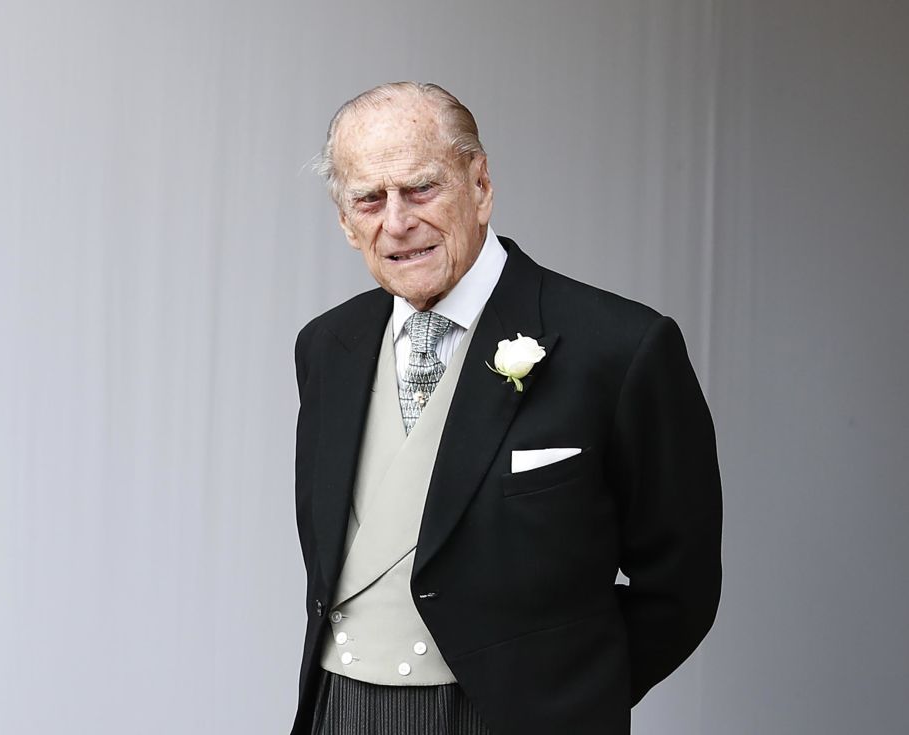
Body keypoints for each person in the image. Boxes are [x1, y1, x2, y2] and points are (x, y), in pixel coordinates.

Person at [291, 82, 722, 735]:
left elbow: (682, 585)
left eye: (421, 188)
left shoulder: (621, 346)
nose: (397, 221)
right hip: (344, 710)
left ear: (481, 185)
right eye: (370, 199)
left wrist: (567, 696)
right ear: (347, 224)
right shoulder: (326, 347)